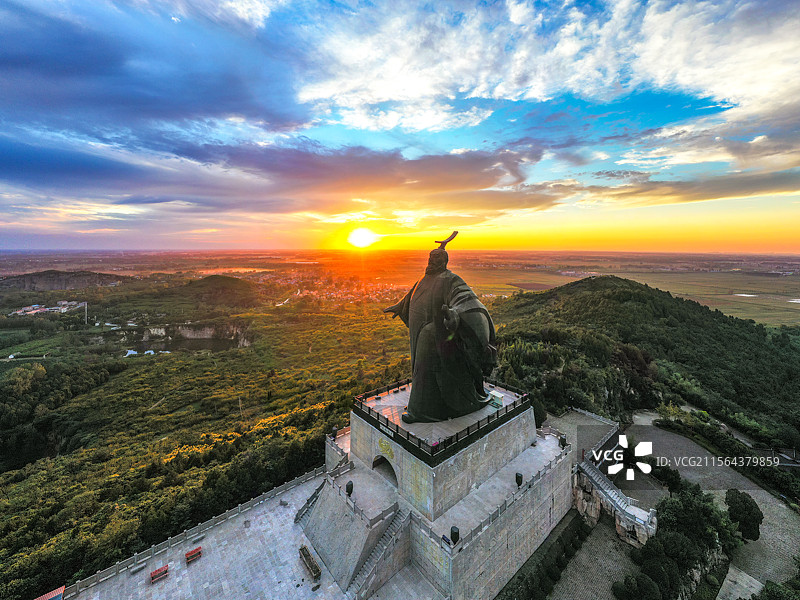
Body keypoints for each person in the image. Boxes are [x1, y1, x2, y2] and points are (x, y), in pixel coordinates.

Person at [384, 232, 497, 423]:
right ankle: (425, 406)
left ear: (444, 262)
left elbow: (465, 299)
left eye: (436, 259)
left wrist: (456, 315)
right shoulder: (426, 278)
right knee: (420, 369)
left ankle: (421, 411)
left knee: (427, 368)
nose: (431, 262)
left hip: (435, 336)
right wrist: (401, 306)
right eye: (430, 258)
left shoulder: (449, 279)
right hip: (419, 332)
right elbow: (415, 293)